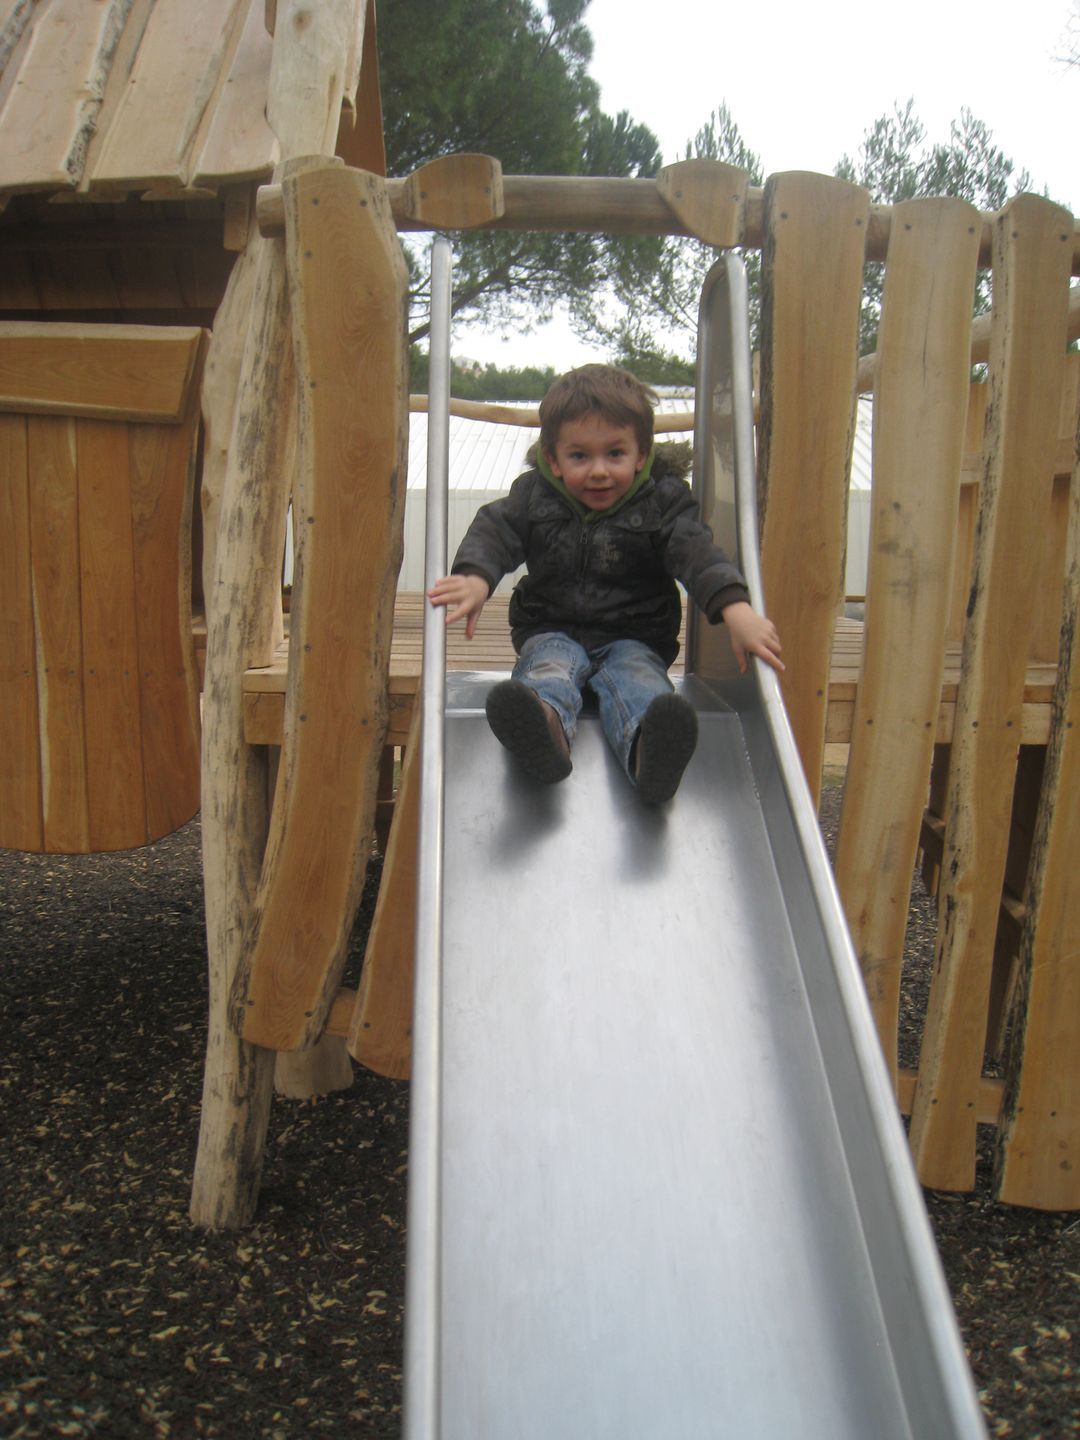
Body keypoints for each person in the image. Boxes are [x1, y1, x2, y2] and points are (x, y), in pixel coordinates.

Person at [428, 364, 783, 803]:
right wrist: (475, 577)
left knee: (639, 681)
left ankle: (651, 754)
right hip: (552, 629)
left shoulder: (663, 502)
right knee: (548, 670)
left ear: (641, 455)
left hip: (634, 636)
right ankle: (544, 732)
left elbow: (696, 553)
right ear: (553, 459)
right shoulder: (534, 496)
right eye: (580, 456)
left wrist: (736, 608)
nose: (598, 471)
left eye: (615, 454)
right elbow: (495, 532)